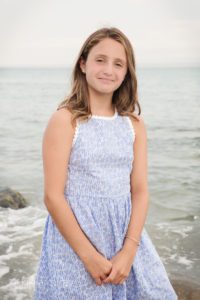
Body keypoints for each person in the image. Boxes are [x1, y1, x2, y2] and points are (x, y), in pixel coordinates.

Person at [34, 27, 178, 299]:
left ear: (126, 72)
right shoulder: (66, 120)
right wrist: (89, 256)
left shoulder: (133, 125)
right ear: (83, 63)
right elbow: (53, 196)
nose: (108, 70)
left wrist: (129, 251)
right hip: (76, 243)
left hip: (125, 238)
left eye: (118, 63)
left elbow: (140, 190)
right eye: (100, 60)